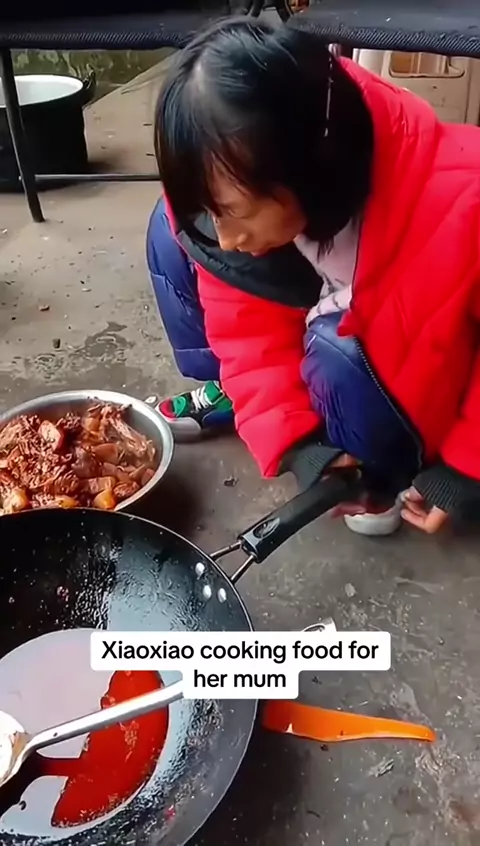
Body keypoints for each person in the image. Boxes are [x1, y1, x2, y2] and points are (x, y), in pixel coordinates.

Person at [147, 16, 480, 537]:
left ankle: (387, 473)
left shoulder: (461, 202)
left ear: (311, 170)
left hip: (421, 387)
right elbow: (246, 332)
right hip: (347, 331)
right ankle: (260, 406)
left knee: (339, 352)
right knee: (175, 237)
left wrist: (462, 474)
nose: (226, 236)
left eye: (235, 212)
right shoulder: (248, 197)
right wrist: (302, 445)